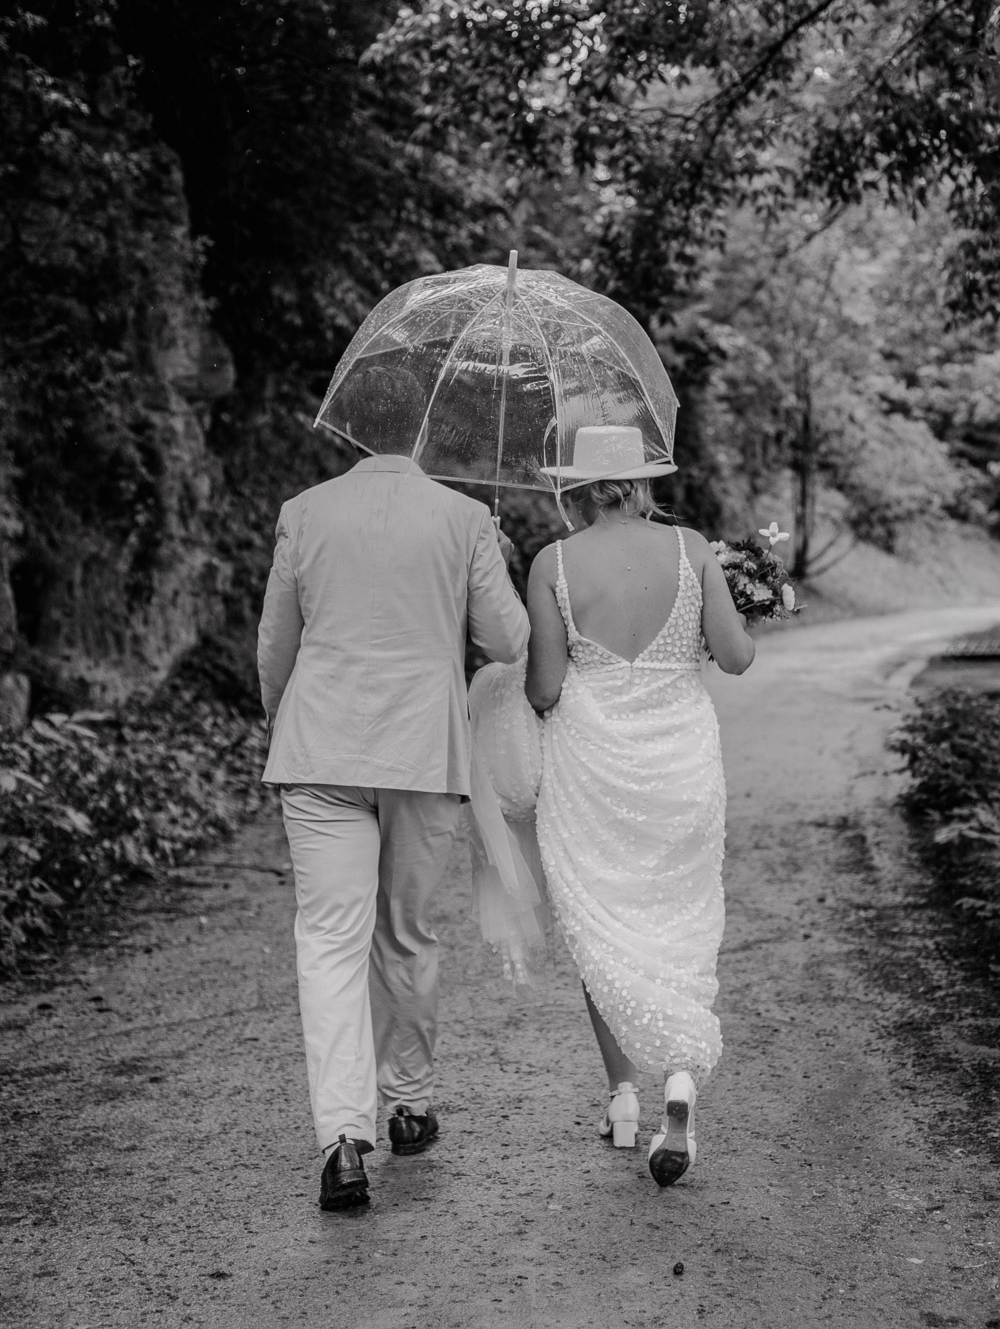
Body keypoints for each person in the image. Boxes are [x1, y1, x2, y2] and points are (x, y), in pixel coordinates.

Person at [257, 367, 528, 1211]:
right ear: (422, 431)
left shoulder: (303, 513)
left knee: (329, 943)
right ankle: (408, 1103)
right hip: (421, 752)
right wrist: (498, 557)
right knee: (405, 932)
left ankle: (343, 1139)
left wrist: (289, 725)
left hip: (320, 749)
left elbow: (277, 648)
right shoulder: (463, 517)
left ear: (349, 431)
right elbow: (508, 640)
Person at [524, 424, 754, 1187]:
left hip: (594, 768)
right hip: (681, 763)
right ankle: (678, 1082)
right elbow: (736, 656)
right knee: (681, 920)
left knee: (603, 920)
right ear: (642, 481)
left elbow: (546, 689)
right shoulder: (690, 550)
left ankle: (623, 1097)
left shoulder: (550, 564)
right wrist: (746, 594)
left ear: (577, 487)